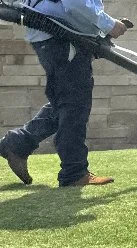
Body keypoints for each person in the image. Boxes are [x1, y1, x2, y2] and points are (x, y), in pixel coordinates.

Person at [0, 0, 128, 186]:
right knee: (74, 104)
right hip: (59, 35)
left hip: (54, 35)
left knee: (65, 100)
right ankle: (74, 172)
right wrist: (110, 24)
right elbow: (76, 3)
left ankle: (18, 144)